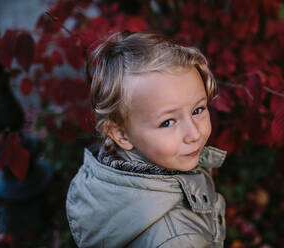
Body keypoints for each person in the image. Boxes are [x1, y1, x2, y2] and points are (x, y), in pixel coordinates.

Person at [66, 32, 227, 247]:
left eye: (198, 109)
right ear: (121, 134)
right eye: (168, 122)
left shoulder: (107, 176)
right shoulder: (176, 238)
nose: (194, 134)